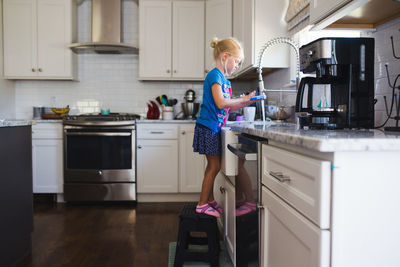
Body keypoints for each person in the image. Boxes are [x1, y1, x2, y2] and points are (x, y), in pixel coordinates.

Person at [192, 37, 261, 217]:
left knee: (213, 166)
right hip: (208, 127)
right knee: (213, 167)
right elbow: (221, 103)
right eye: (236, 61)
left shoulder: (225, 81)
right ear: (225, 56)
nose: (237, 66)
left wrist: (246, 102)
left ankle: (209, 200)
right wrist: (243, 99)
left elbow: (229, 105)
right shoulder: (214, 75)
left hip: (213, 127)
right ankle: (201, 204)